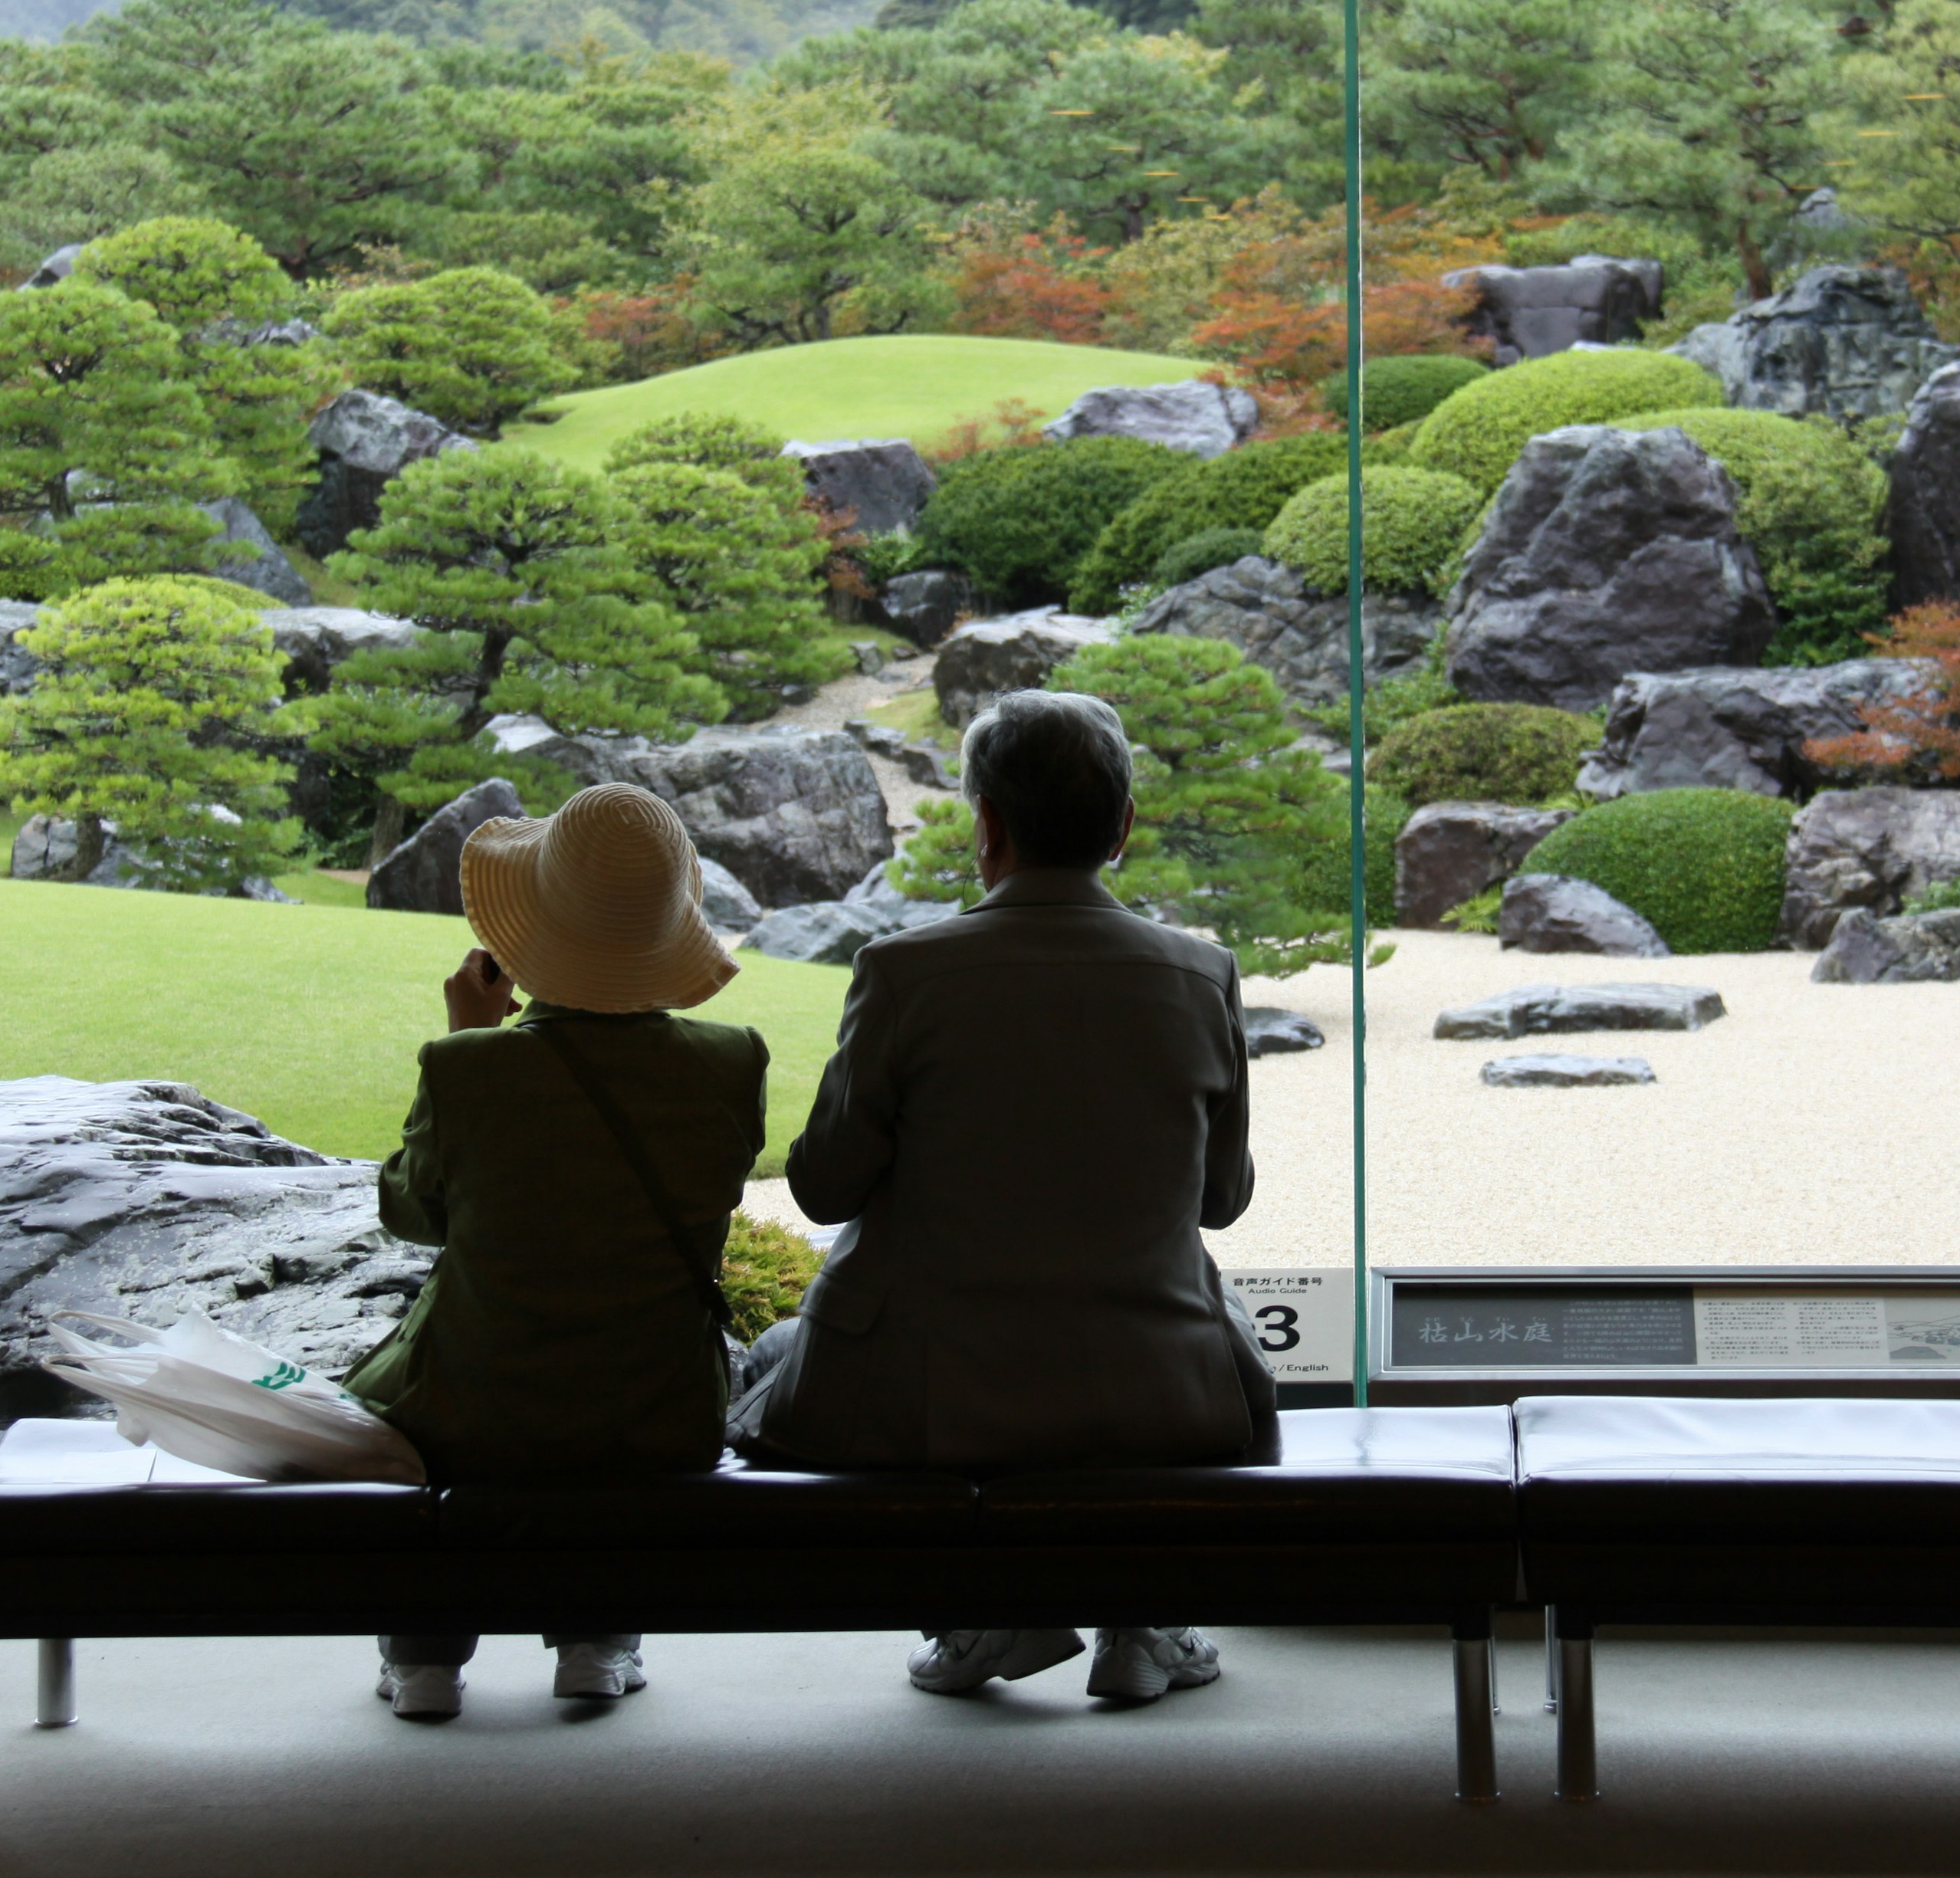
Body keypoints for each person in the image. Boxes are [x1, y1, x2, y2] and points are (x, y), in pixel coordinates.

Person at [731, 688, 1276, 1704]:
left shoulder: (905, 972)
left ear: (985, 825)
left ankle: (987, 1608)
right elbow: (1221, 1201)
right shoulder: (1202, 974)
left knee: (773, 1360)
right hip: (1158, 1390)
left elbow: (822, 1186)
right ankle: (1140, 1618)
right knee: (1190, 1314)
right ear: (1123, 827)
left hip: (936, 1396)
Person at [345, 783, 768, 1722]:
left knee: (405, 1403)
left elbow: (411, 1213)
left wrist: (470, 1040)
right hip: (657, 1410)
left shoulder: (468, 1069)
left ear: (526, 930)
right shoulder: (732, 1061)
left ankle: (425, 1650)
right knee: (603, 1397)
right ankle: (597, 1636)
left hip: (478, 1407)